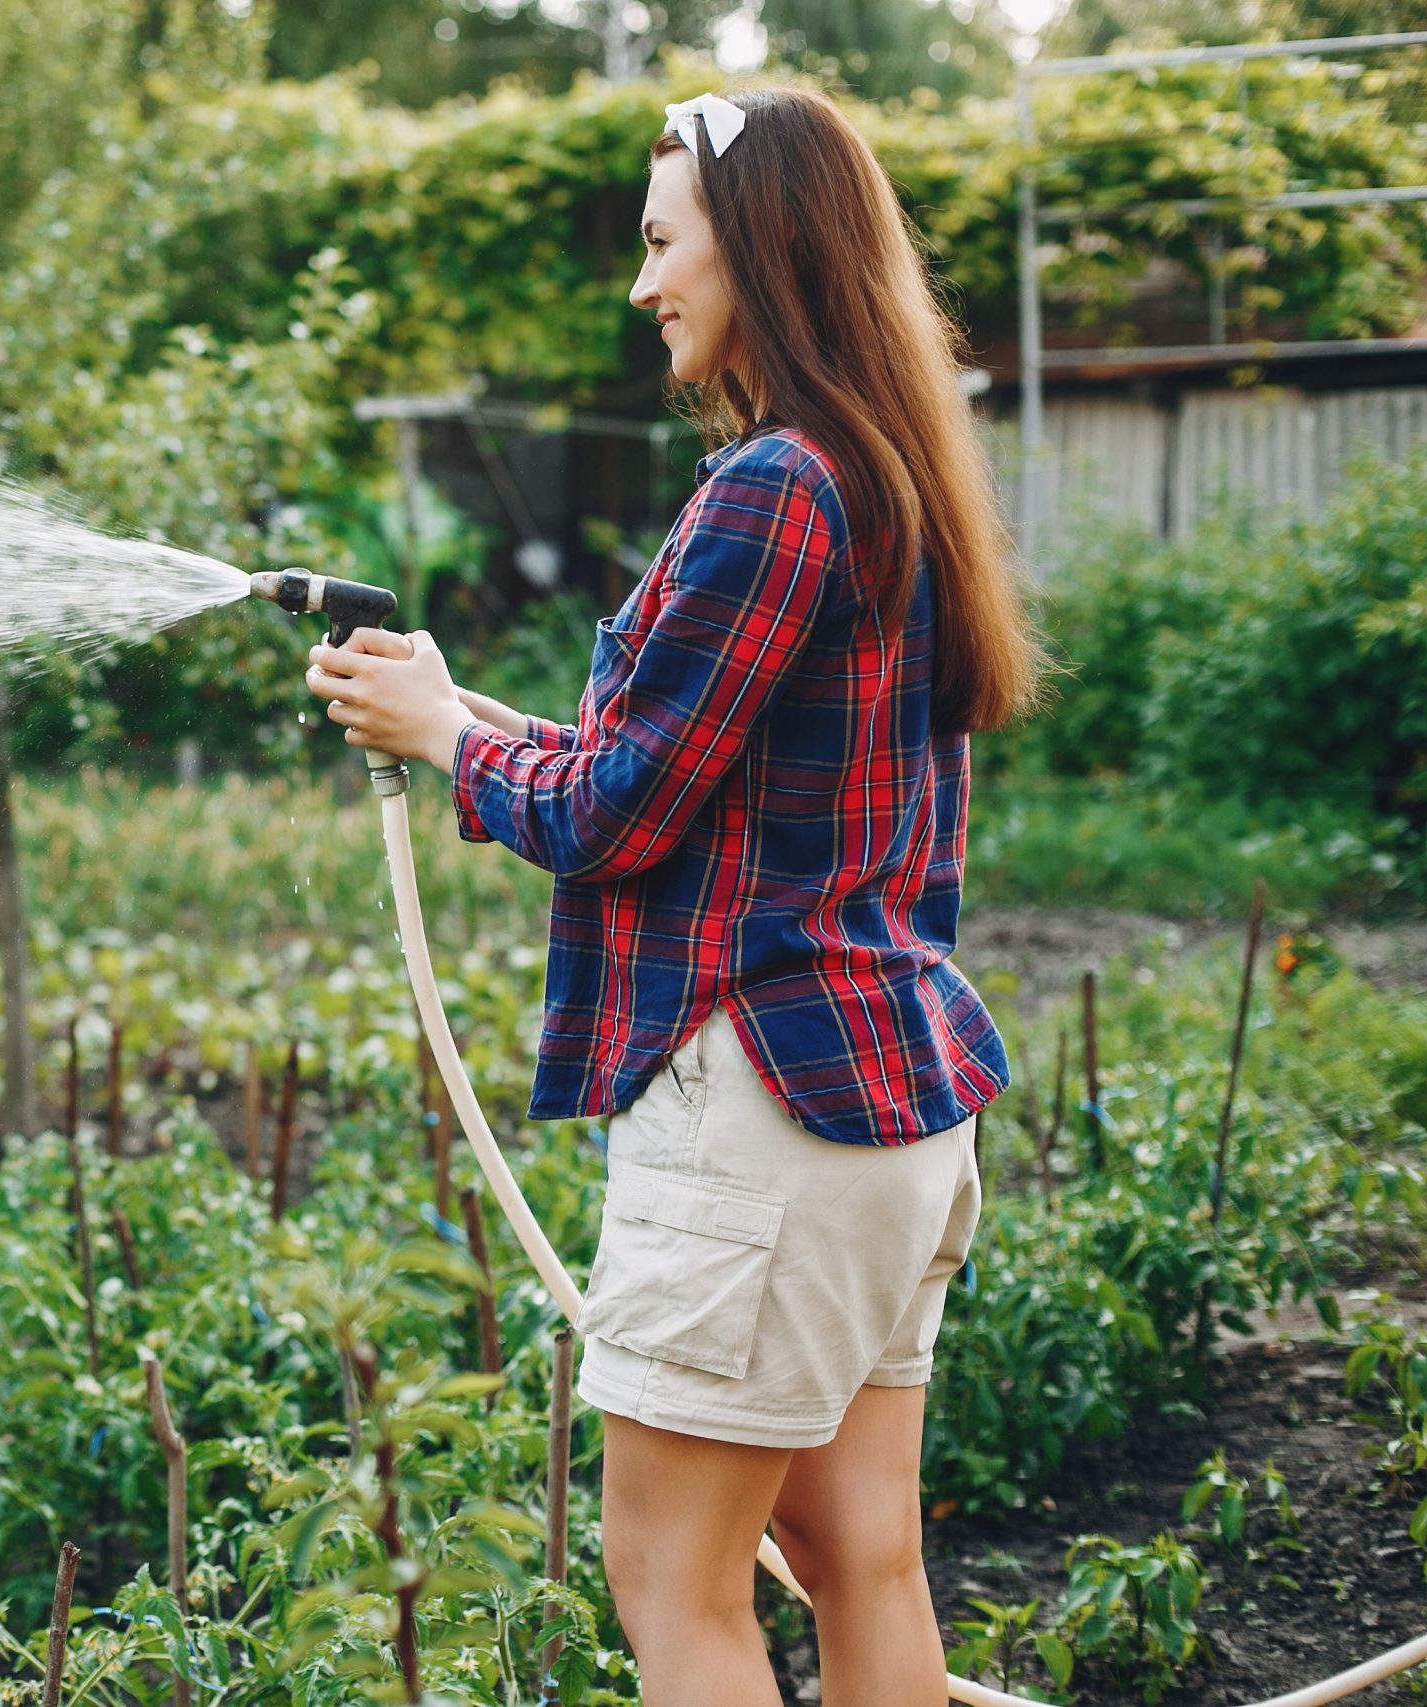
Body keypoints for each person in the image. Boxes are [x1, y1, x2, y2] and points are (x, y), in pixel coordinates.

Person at [304, 84, 1045, 1707]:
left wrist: (449, 748)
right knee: (867, 1566)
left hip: (765, 1113)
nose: (643, 285)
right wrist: (464, 722)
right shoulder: (888, 471)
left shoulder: (773, 488)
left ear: (763, 247)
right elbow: (691, 771)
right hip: (892, 1109)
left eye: (663, 244)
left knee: (672, 1582)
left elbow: (622, 813)